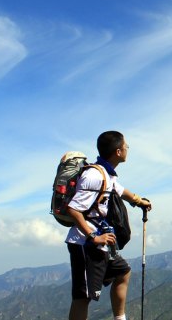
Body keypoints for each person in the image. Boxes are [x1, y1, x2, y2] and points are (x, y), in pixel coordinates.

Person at [66, 131, 152, 320]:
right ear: (118, 151)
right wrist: (93, 237)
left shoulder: (107, 175)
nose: (128, 149)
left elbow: (121, 191)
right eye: (126, 146)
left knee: (123, 271)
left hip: (100, 244)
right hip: (85, 244)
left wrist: (140, 202)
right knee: (83, 297)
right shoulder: (94, 176)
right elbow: (73, 209)